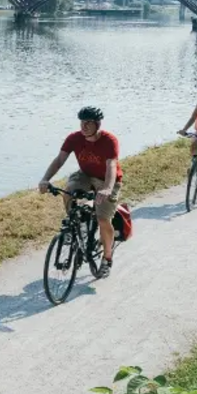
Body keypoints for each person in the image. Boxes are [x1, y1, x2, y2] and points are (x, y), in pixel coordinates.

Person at [38, 106, 122, 273]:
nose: (84, 126)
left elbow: (111, 165)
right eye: (82, 122)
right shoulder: (74, 138)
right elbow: (60, 159)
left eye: (89, 123)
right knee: (68, 190)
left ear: (97, 124)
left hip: (107, 180)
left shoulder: (109, 140)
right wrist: (45, 179)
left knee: (103, 219)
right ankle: (75, 224)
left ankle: (107, 258)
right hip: (85, 175)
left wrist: (107, 189)